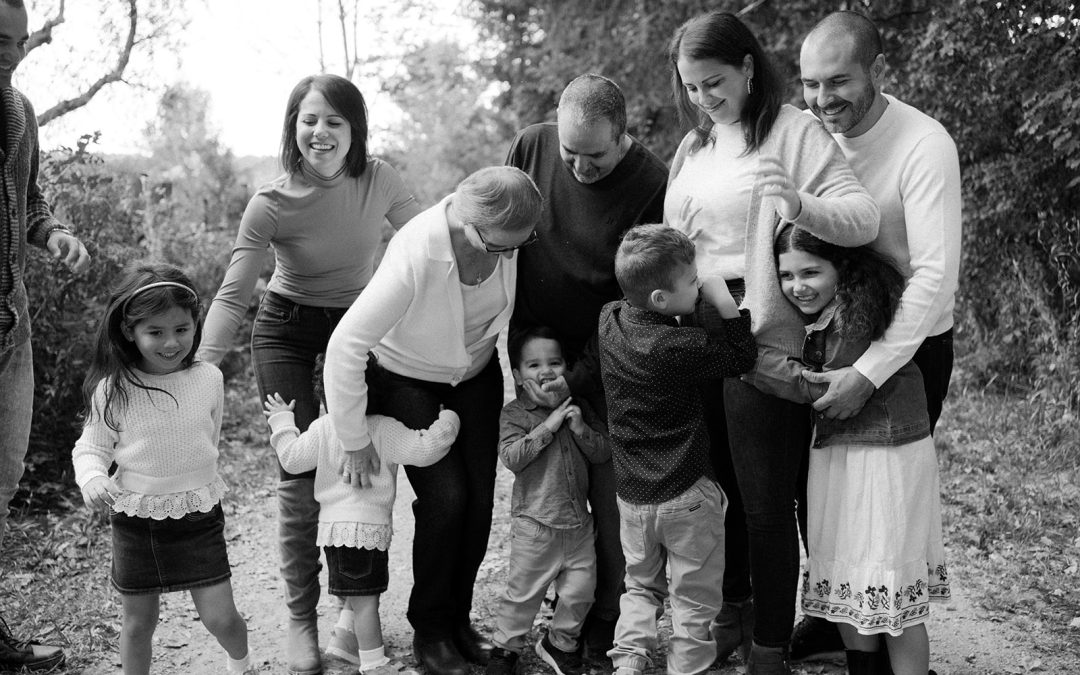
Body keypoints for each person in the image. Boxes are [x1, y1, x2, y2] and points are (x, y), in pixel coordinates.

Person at [665, 11, 880, 674]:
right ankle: (730, 612)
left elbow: (863, 216)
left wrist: (799, 206)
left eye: (714, 81)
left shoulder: (793, 131)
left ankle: (770, 644)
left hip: (761, 335)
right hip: (696, 332)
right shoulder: (693, 147)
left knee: (764, 498)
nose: (703, 97)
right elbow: (676, 238)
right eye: (690, 86)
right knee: (715, 490)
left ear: (749, 67)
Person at [197, 73, 421, 675]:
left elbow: (425, 243)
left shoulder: (381, 180)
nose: (319, 132)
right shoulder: (270, 202)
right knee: (298, 475)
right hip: (285, 327)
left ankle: (354, 608)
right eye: (308, 119)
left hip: (358, 322)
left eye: (334, 121)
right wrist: (199, 364)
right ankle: (302, 620)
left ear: (355, 129)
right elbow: (237, 287)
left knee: (366, 458)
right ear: (293, 127)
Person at [790, 11, 962, 661]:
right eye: (810, 83)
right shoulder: (804, 134)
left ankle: (893, 636)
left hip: (907, 348)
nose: (823, 98)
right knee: (824, 491)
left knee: (884, 507)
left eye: (839, 80)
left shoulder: (924, 144)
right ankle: (838, 618)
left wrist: (870, 371)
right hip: (826, 334)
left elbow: (935, 278)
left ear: (876, 72)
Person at [324, 166, 542, 675]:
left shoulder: (504, 236)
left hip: (476, 372)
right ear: (467, 225)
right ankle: (431, 630)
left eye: (521, 244)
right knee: (447, 499)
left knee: (480, 501)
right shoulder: (419, 249)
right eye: (500, 246)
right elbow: (346, 346)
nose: (511, 255)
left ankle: (457, 618)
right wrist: (353, 438)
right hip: (408, 377)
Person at [505, 72, 669, 661]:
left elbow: (633, 297)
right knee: (550, 487)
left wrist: (576, 379)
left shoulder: (652, 182)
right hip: (535, 354)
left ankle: (605, 616)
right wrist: (528, 364)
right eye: (569, 153)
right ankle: (557, 600)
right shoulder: (532, 145)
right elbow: (507, 239)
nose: (576, 167)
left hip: (608, 358)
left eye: (593, 156)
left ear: (622, 134)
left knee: (607, 487)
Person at [746, 224, 948, 675]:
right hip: (841, 452)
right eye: (786, 275)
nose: (797, 286)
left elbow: (815, 387)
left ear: (842, 267)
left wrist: (750, 361)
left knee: (888, 575)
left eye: (811, 272)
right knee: (845, 573)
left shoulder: (858, 314)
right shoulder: (820, 315)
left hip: (884, 455)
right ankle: (865, 669)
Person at [71, 263, 256, 675]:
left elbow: (209, 439)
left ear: (196, 325)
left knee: (222, 618)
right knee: (139, 623)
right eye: (155, 332)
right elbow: (90, 447)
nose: (171, 343)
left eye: (182, 329)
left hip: (198, 514)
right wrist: (93, 477)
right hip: (137, 521)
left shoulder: (208, 378)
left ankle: (242, 665)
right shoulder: (113, 388)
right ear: (129, 332)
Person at [597, 224, 757, 675]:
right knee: (694, 601)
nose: (700, 282)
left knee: (640, 587)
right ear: (661, 301)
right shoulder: (680, 344)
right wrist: (725, 305)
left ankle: (628, 662)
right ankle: (687, 669)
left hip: (631, 495)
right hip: (686, 494)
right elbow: (741, 358)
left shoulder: (609, 319)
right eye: (692, 280)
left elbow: (638, 303)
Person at [264, 355, 461, 675]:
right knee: (366, 598)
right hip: (365, 530)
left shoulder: (324, 427)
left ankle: (344, 640)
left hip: (332, 532)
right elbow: (425, 450)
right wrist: (449, 419)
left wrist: (282, 422)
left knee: (356, 592)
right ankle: (374, 662)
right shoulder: (385, 428)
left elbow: (292, 459)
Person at [0, 1, 91, 670]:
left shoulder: (21, 111)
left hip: (12, 320)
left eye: (12, 39)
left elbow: (28, 202)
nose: (5, 50)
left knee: (2, 481)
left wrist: (53, 233)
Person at [487, 327, 611, 675]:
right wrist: (549, 426)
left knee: (580, 593)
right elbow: (511, 457)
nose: (546, 371)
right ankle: (505, 649)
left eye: (554, 362)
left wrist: (580, 429)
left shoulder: (579, 408)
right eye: (533, 365)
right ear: (517, 375)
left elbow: (602, 453)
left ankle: (560, 644)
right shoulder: (515, 415)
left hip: (577, 524)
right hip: (535, 526)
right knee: (522, 595)